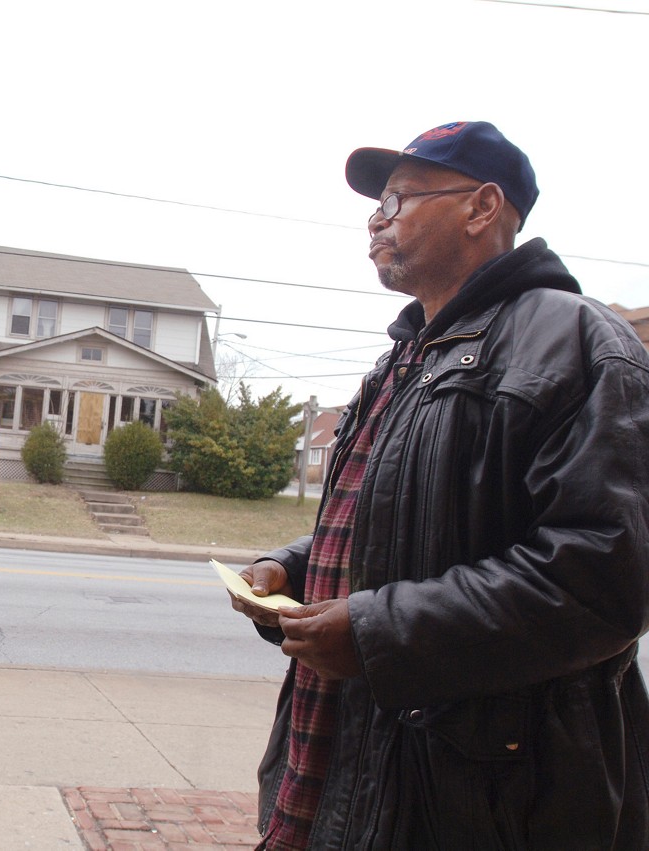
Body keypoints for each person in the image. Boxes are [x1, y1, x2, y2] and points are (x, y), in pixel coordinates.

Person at [230, 121, 649, 849]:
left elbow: (604, 577)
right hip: (338, 764)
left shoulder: (579, 345)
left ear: (482, 209)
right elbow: (393, 515)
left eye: (397, 200)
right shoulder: (406, 358)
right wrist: (295, 571)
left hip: (479, 799)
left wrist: (379, 629)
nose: (374, 219)